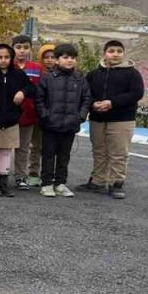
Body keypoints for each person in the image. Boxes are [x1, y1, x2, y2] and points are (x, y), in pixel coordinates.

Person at [84, 40, 143, 199]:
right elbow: (85, 94)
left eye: (119, 51)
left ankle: (117, 183)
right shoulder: (94, 74)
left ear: (123, 54)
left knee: (119, 153)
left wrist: (112, 103)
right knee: (99, 151)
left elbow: (136, 94)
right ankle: (98, 181)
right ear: (105, 53)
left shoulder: (132, 73)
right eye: (111, 51)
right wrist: (93, 104)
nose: (115, 54)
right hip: (97, 119)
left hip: (122, 119)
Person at [0, 43, 36, 197]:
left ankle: (3, 183)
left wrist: (22, 92)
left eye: (6, 57)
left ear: (11, 58)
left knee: (5, 152)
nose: (3, 60)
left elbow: (31, 88)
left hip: (10, 121)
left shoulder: (18, 75)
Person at [36, 44, 91, 198]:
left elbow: (86, 99)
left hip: (70, 124)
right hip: (50, 124)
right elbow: (39, 99)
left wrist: (80, 116)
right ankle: (46, 183)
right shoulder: (48, 77)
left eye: (72, 58)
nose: (69, 61)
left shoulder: (80, 78)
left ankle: (60, 183)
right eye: (65, 57)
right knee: (48, 154)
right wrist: (45, 115)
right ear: (57, 60)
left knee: (64, 155)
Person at [12, 36, 44, 190]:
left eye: (25, 47)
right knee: (4, 147)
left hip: (29, 116)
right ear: (13, 48)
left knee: (23, 148)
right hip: (9, 115)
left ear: (30, 49)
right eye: (18, 47)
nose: (22, 50)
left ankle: (20, 176)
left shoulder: (37, 69)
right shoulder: (7, 65)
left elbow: (40, 92)